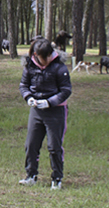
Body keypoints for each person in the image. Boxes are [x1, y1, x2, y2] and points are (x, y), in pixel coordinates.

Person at [18, 38, 71, 190]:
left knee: (54, 146)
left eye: (49, 55)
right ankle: (31, 175)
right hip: (36, 111)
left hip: (55, 112)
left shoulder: (59, 67)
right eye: (44, 57)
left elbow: (66, 90)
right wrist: (28, 97)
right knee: (31, 144)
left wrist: (50, 102)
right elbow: (23, 85)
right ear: (36, 55)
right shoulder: (29, 66)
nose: (47, 59)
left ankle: (57, 178)